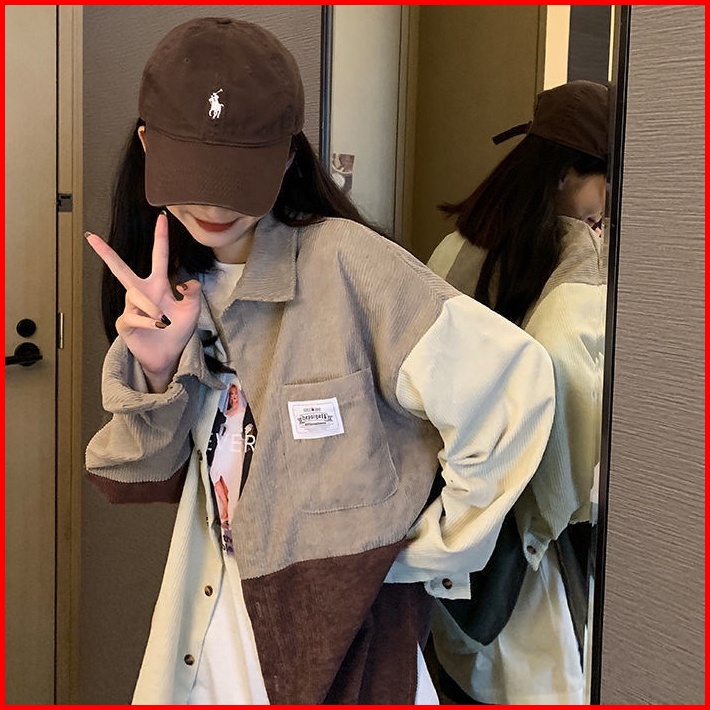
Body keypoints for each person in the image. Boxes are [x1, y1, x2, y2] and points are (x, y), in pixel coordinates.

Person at [84, 17, 556, 705]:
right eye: (196, 174)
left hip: (343, 650)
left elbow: (514, 384)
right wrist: (155, 371)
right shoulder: (176, 292)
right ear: (149, 147)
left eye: (238, 176)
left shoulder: (348, 264)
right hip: (208, 634)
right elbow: (146, 475)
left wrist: (427, 550)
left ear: (286, 158)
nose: (214, 202)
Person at [426, 80, 609, 704]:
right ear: (564, 176)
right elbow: (573, 463)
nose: (605, 206)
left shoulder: (457, 248)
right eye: (603, 183)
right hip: (529, 546)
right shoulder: (577, 274)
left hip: (452, 521)